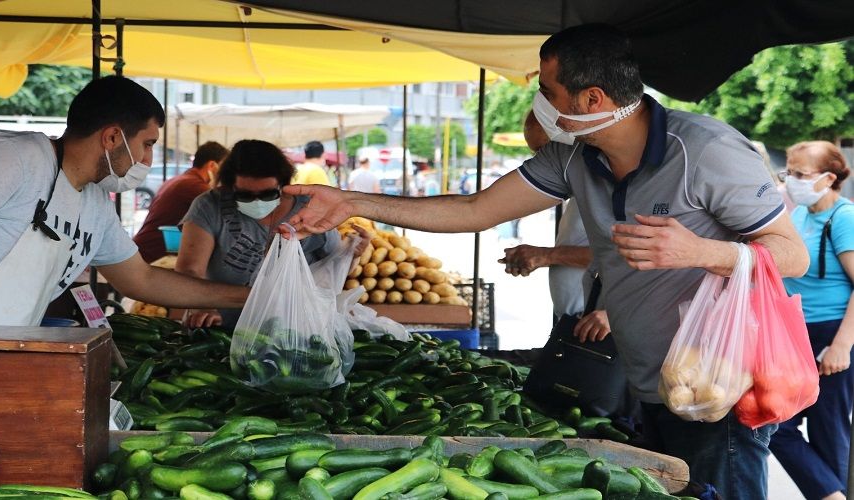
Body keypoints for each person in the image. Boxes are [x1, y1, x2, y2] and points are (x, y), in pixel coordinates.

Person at [283, 24, 808, 498]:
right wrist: (351, 201)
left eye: (548, 92)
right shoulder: (574, 156)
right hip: (648, 384)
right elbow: (475, 209)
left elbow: (793, 255)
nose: (541, 103)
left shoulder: (706, 150)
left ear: (592, 98)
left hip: (720, 386)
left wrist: (702, 252)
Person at [0, 76, 250, 338]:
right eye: (147, 144)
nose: (147, 160)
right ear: (111, 137)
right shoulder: (17, 158)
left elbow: (142, 280)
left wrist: (249, 298)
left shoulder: (95, 204)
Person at [175, 139, 362, 329]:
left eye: (267, 195)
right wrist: (200, 307)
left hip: (294, 332)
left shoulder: (309, 210)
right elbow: (188, 271)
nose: (257, 201)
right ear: (230, 187)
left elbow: (335, 269)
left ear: (283, 185)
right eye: (245, 195)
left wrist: (352, 255)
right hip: (219, 332)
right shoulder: (209, 206)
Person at [769, 141, 854, 500]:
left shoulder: (844, 217)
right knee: (776, 425)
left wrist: (841, 346)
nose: (792, 181)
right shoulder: (801, 215)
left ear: (828, 178)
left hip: (830, 334)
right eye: (790, 172)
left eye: (801, 174)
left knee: (828, 433)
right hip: (797, 335)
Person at [500, 111, 609, 341]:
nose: (541, 161)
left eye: (545, 151)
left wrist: (546, 256)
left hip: (598, 328)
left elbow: (618, 256)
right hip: (576, 323)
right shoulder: (580, 185)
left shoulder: (610, 186)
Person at [133, 141, 229, 263]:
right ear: (212, 166)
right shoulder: (194, 186)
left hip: (144, 250)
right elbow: (226, 211)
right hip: (153, 256)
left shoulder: (179, 180)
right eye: (224, 168)